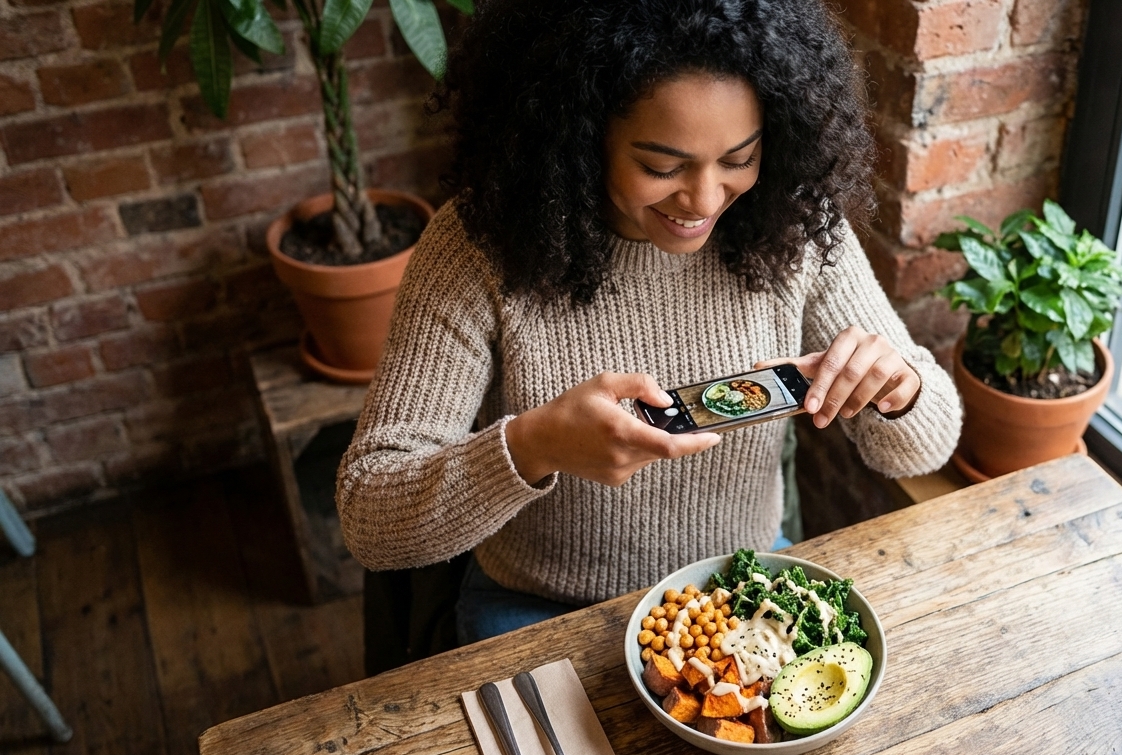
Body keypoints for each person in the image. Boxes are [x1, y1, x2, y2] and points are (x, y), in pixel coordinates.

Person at [336, 0, 962, 654]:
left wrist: (899, 388)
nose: (704, 199)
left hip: (738, 591)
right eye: (662, 167)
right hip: (538, 610)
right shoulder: (477, 249)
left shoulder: (795, 224)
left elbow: (928, 445)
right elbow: (370, 516)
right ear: (577, 133)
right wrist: (531, 447)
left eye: (738, 159)